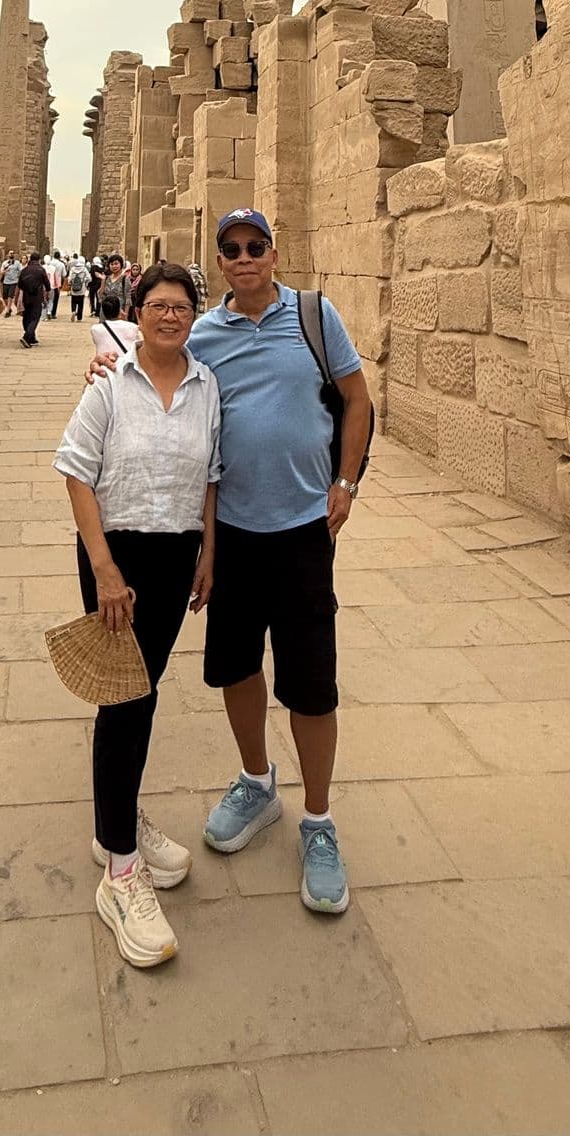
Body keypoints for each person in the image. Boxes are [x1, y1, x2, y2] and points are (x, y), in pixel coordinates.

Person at [86, 207, 371, 918]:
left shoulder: (314, 315)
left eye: (255, 247)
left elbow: (359, 399)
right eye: (231, 250)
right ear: (220, 262)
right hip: (234, 534)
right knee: (238, 667)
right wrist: (105, 364)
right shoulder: (206, 332)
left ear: (273, 253)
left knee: (311, 683)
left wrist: (347, 481)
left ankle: (319, 821)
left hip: (304, 528)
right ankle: (257, 782)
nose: (243, 259)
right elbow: (156, 358)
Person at [56, 260, 219, 969]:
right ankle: (121, 870)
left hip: (177, 552)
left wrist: (209, 552)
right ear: (139, 310)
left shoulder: (207, 386)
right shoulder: (108, 385)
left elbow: (212, 474)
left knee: (142, 697)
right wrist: (106, 573)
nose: (170, 315)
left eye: (181, 305)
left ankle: (114, 819)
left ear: (193, 314)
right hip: (115, 559)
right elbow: (75, 470)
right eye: (158, 304)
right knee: (123, 699)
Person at [16, 253, 50, 347]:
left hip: (26, 297)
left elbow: (19, 285)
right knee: (35, 317)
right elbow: (47, 284)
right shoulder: (40, 270)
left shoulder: (24, 270)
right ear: (39, 259)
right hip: (37, 296)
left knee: (27, 316)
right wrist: (46, 295)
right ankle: (26, 337)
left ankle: (32, 337)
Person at [67, 253, 90, 320]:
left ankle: (73, 311)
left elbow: (70, 278)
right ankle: (79, 317)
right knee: (81, 303)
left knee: (73, 301)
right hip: (82, 289)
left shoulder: (73, 269)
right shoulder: (84, 269)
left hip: (74, 288)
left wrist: (70, 283)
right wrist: (85, 282)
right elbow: (89, 278)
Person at [45, 249, 67, 318]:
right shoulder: (61, 264)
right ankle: (53, 313)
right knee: (55, 298)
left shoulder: (49, 263)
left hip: (48, 282)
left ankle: (47, 311)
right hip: (57, 283)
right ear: (59, 257)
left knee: (47, 298)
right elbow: (64, 274)